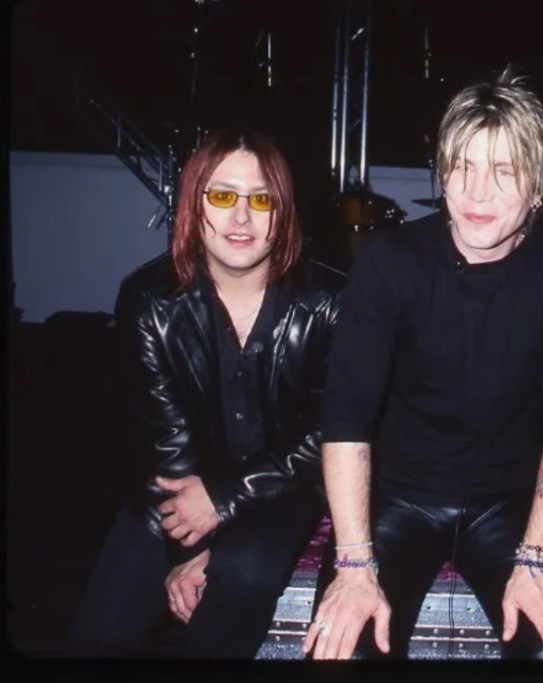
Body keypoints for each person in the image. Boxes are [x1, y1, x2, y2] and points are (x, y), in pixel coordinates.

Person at [303, 66, 543, 661]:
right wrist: (355, 565)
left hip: (509, 502)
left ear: (538, 187)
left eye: (503, 170)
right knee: (341, 651)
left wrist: (538, 557)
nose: (476, 192)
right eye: (461, 166)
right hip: (398, 497)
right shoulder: (391, 260)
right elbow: (345, 416)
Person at [70, 127, 346, 658]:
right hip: (177, 485)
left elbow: (330, 430)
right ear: (194, 206)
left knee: (245, 576)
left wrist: (224, 496)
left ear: (283, 212)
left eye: (261, 199)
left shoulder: (331, 302)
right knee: (100, 633)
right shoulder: (149, 300)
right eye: (222, 196)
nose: (241, 218)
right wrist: (187, 549)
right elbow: (164, 438)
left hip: (279, 484)